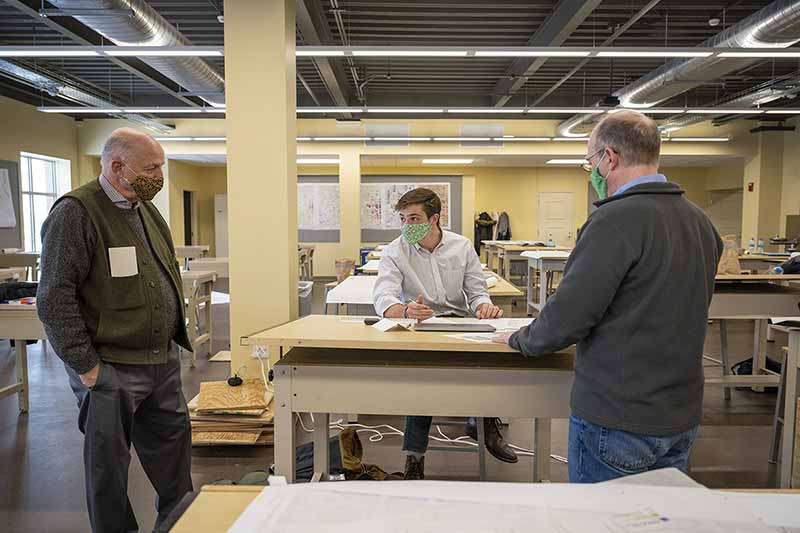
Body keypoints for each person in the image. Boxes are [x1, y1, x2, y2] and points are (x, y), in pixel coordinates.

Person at [494, 111, 722, 483]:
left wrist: (520, 338)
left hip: (619, 416)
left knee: (602, 520)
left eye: (590, 161)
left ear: (609, 158)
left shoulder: (613, 220)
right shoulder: (699, 221)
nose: (593, 171)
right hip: (679, 415)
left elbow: (569, 318)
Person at [37, 128, 194, 532]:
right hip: (110, 368)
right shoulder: (77, 212)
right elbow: (54, 297)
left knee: (176, 470)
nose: (158, 176)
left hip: (161, 363)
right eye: (150, 168)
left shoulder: (146, 209)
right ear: (117, 166)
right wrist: (86, 367)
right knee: (108, 473)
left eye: (161, 167)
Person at [372, 187, 517, 480]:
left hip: (459, 323)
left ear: (434, 218)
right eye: (403, 219)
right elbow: (383, 297)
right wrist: (405, 310)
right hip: (420, 327)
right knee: (424, 379)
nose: (406, 226)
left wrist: (484, 307)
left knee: (487, 362)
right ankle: (414, 458)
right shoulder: (395, 251)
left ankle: (486, 424)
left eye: (414, 219)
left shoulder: (462, 247)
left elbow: (477, 292)